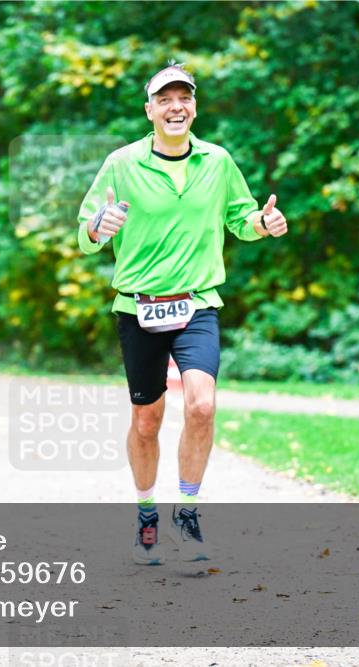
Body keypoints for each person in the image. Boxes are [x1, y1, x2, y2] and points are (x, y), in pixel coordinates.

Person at [76, 62, 288, 564]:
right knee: (146, 420)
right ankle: (147, 515)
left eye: (184, 98)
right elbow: (86, 234)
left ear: (194, 107)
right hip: (139, 306)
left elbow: (241, 218)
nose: (176, 107)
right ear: (149, 110)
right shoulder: (122, 163)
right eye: (165, 99)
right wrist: (99, 226)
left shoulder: (217, 161)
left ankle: (187, 514)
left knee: (201, 406)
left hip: (198, 303)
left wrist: (262, 223)